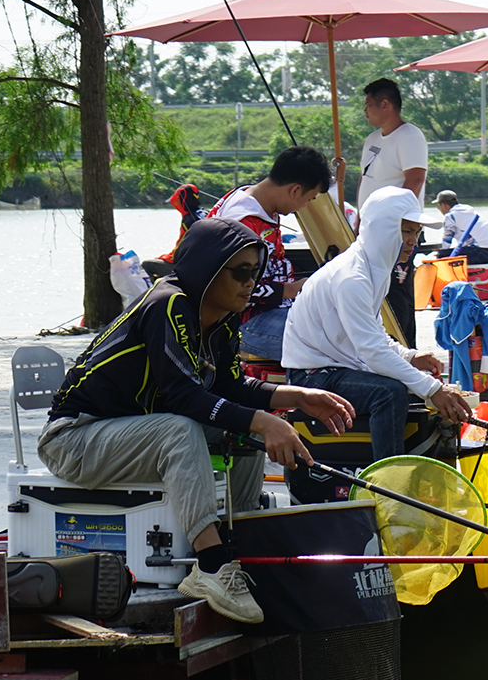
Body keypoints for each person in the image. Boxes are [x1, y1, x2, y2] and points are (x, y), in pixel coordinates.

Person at [41, 218, 357, 623]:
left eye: (255, 273)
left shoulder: (223, 319)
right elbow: (182, 397)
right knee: (181, 428)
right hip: (74, 439)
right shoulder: (167, 305)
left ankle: (239, 542)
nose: (251, 283)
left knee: (235, 429)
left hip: (133, 431)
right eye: (240, 272)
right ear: (207, 268)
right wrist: (264, 421)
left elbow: (229, 387)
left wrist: (295, 397)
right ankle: (210, 565)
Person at [283, 187, 477, 463]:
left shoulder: (375, 268)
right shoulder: (354, 277)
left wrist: (410, 357)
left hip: (337, 366)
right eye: (406, 232)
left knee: (404, 384)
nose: (413, 242)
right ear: (383, 230)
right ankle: (389, 477)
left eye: (416, 233)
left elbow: (375, 336)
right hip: (312, 374)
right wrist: (432, 389)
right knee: (389, 393)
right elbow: (372, 350)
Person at [204, 145, 333, 364]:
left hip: (275, 311)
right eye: (308, 199)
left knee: (341, 327)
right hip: (242, 323)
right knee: (335, 345)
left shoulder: (259, 203)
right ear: (294, 190)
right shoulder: (243, 222)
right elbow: (225, 288)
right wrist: (291, 289)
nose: (303, 207)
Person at [355, 77, 430, 344]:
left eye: (368, 104)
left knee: (397, 296)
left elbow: (415, 180)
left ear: (384, 104)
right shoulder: (372, 139)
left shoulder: (409, 136)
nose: (365, 110)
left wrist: (399, 225)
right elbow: (366, 181)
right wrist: (359, 219)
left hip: (397, 231)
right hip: (370, 230)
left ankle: (407, 353)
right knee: (375, 293)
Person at [435, 190, 488, 264]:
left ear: (443, 205)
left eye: (438, 206)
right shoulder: (471, 211)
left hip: (484, 252)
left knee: (442, 255)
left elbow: (447, 240)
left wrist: (441, 251)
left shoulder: (450, 216)